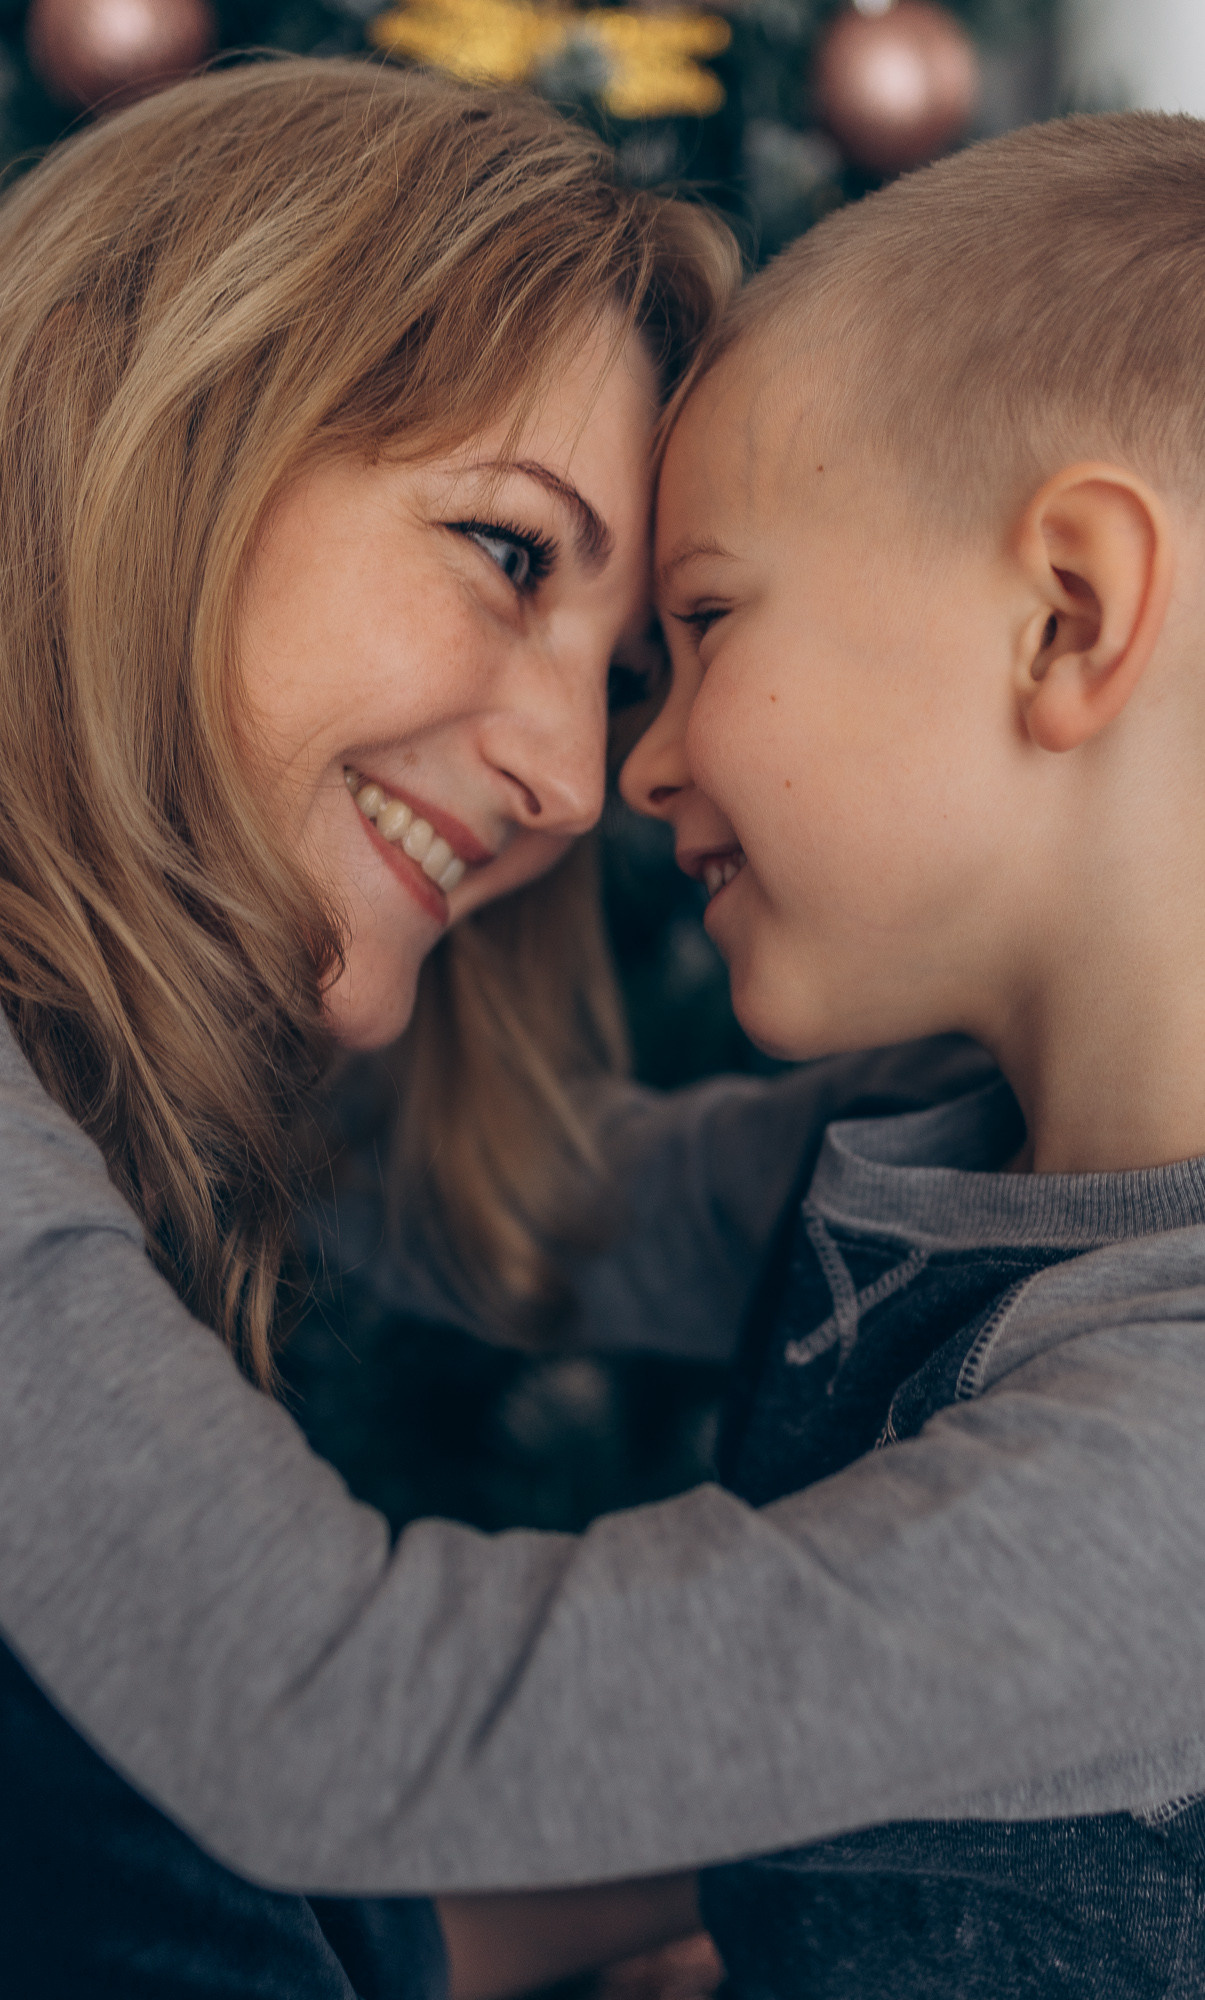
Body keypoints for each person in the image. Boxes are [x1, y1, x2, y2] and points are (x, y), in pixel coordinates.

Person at [0, 51, 993, 2000]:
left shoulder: (101, 1127)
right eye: (504, 552)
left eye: (631, 664)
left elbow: (121, 1887)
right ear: (156, 423)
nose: (576, 775)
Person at [620, 108, 1205, 1998]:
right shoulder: (906, 1136)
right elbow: (507, 1213)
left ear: (1066, 615)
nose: (633, 766)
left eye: (703, 621)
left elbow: (357, 1690)